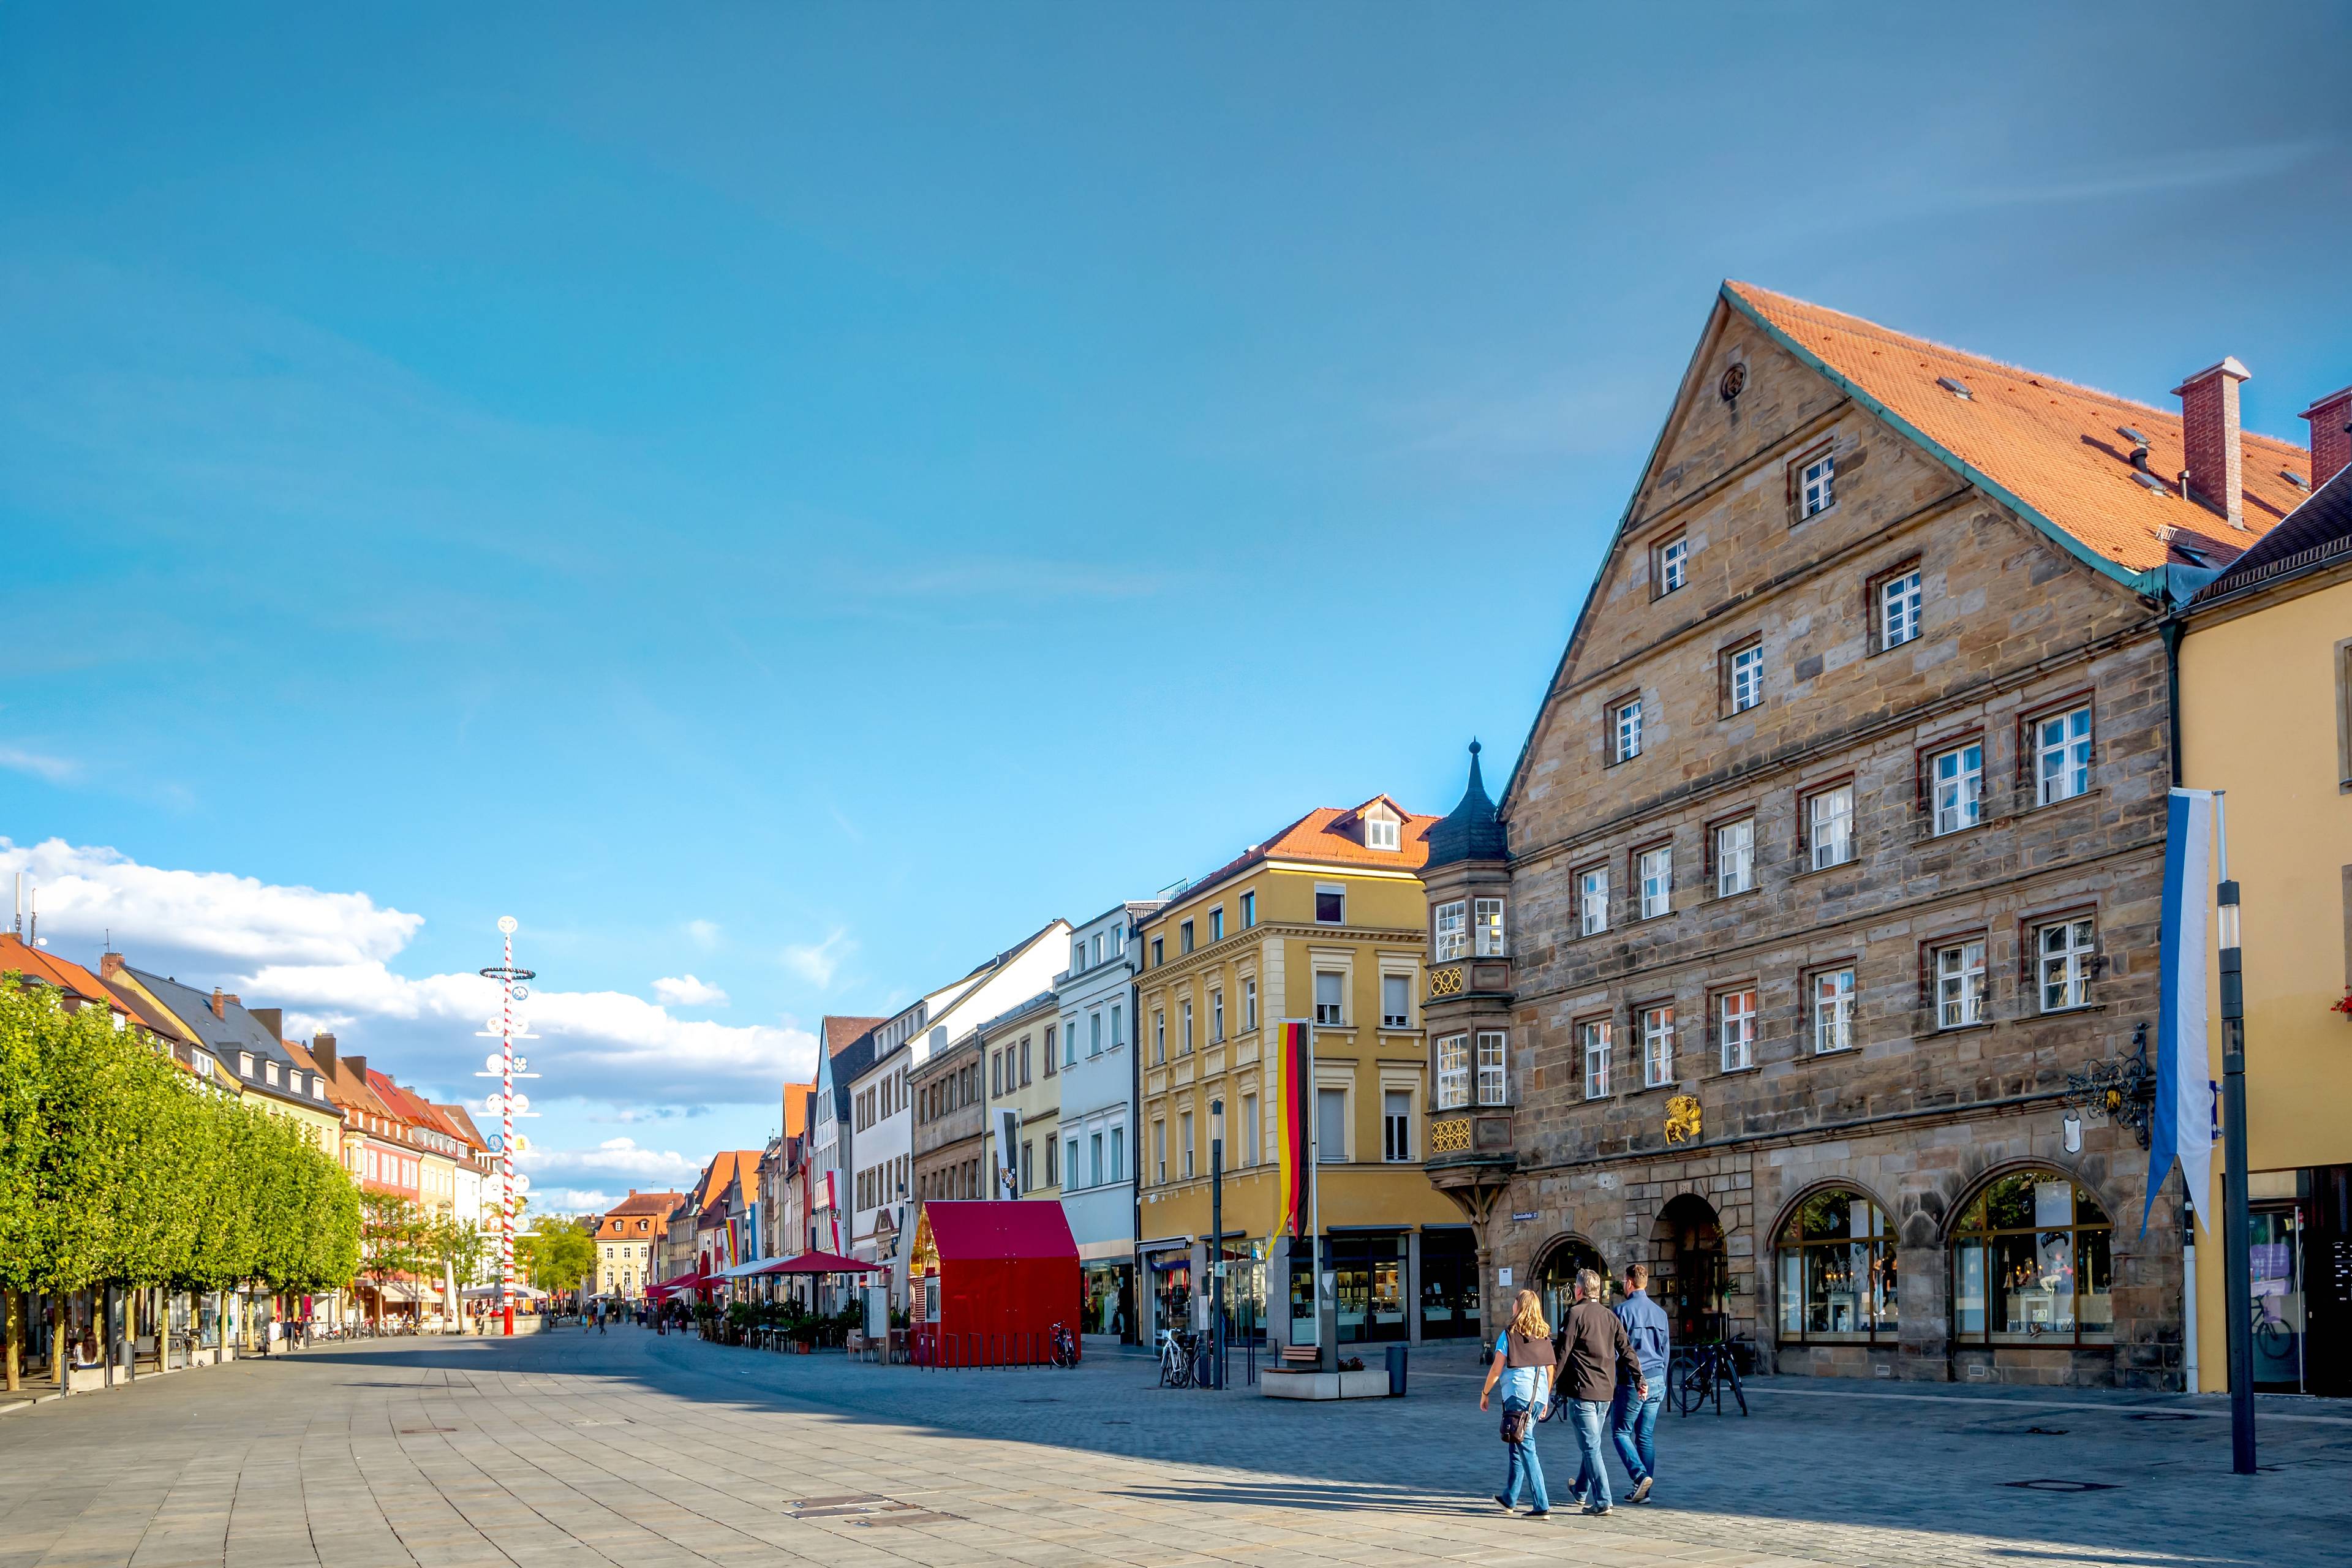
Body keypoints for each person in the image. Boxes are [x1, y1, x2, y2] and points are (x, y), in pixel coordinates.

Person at [1561, 1268, 1647, 1516]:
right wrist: (1639, 1378)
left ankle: (1603, 1500)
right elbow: (1627, 1350)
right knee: (1593, 1444)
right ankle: (1579, 1490)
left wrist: (1548, 1385)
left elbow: (1563, 1353)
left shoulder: (1575, 1314)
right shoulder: (1610, 1317)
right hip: (1606, 1392)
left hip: (1583, 1391)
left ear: (1579, 1290)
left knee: (1590, 1447)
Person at [1477, 1288, 1556, 1517]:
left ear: (1519, 1307)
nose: (1512, 1305)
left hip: (1517, 1397)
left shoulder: (1509, 1334)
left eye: (1515, 1302)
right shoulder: (1544, 1336)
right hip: (1536, 1396)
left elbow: (1496, 1367)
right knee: (1518, 1440)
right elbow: (1550, 1370)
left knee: (1527, 1447)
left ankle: (1542, 1504)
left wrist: (1485, 1392)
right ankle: (1510, 1497)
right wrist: (1546, 1398)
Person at [1611, 1263, 1671, 1505]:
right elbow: (1665, 1350)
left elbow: (1617, 1351)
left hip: (1633, 1380)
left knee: (1620, 1432)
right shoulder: (1660, 1313)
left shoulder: (1621, 1311)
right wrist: (1664, 1378)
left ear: (1629, 1283)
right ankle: (1643, 1490)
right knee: (1645, 1435)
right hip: (1658, 1377)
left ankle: (1640, 1476)